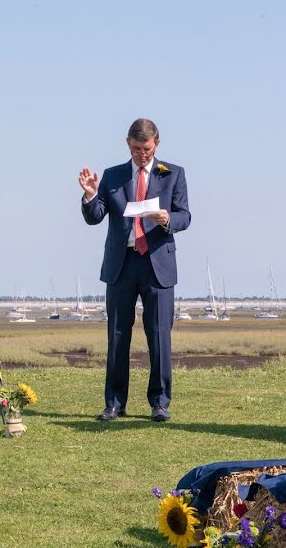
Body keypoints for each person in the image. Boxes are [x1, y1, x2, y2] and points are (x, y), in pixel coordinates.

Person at [79, 118, 191, 422]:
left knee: (159, 337)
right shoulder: (113, 175)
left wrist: (167, 219)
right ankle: (114, 403)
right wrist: (90, 194)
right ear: (128, 144)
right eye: (137, 148)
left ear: (157, 144)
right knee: (117, 336)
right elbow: (95, 216)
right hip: (122, 264)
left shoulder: (173, 174)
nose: (142, 154)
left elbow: (185, 217)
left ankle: (159, 403)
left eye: (147, 149)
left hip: (158, 264)